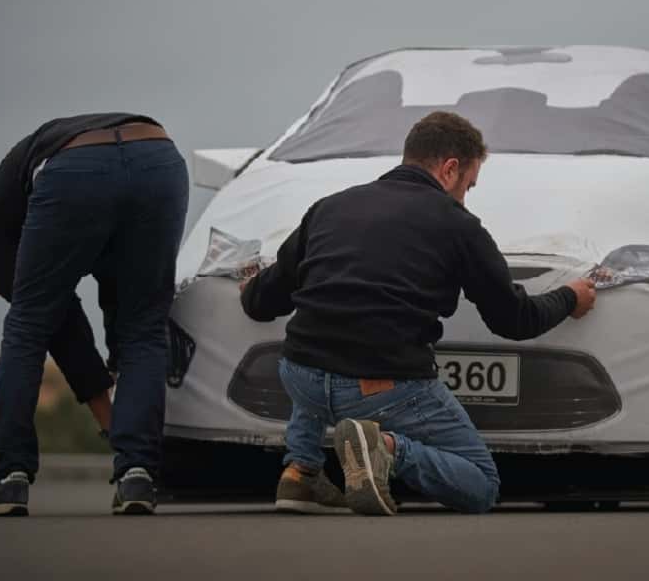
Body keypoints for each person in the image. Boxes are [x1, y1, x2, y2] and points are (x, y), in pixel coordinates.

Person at [240, 110, 597, 515]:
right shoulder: (458, 225)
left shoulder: (330, 208)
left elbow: (262, 302)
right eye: (469, 185)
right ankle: (386, 449)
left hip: (301, 376)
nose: (466, 196)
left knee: (323, 331)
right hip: (378, 388)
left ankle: (300, 474)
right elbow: (514, 320)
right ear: (450, 169)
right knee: (482, 484)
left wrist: (249, 288)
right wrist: (570, 297)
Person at [0, 114, 188, 516]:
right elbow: (76, 334)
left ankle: (7, 479)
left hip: (76, 170)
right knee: (142, 329)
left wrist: (108, 420)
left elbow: (62, 331)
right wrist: (114, 427)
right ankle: (137, 475)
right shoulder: (16, 203)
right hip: (158, 159)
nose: (4, 293)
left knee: (28, 327)